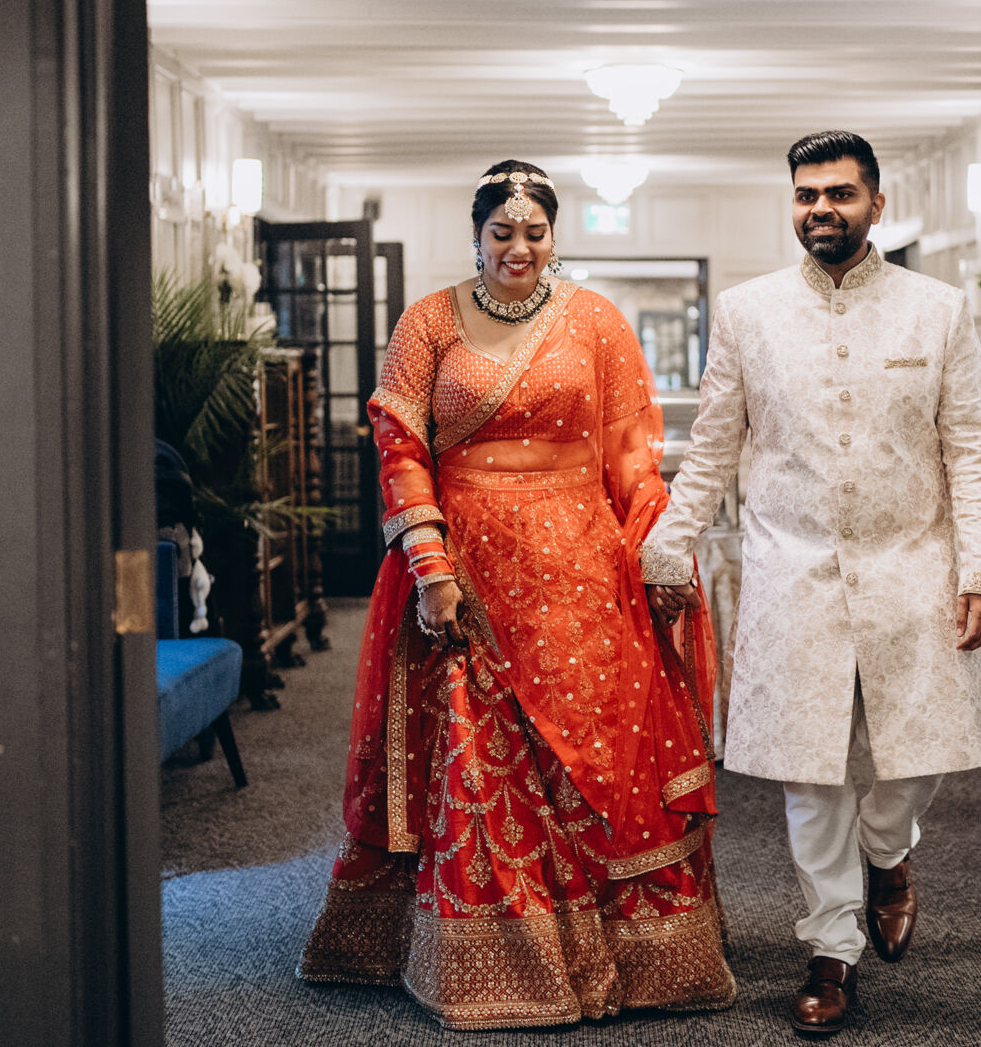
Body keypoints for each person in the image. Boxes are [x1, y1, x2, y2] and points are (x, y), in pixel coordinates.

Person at [299, 161, 735, 1030]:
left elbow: (633, 456)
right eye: (502, 233)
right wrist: (431, 568)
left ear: (554, 235)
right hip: (467, 575)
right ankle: (491, 962)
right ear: (477, 235)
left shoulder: (597, 321)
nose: (519, 249)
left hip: (583, 575)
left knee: (595, 754)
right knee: (475, 755)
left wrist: (659, 551)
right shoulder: (428, 322)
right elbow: (401, 448)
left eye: (535, 233)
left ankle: (628, 957)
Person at [643, 130, 981, 1037]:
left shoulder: (937, 310)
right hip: (791, 572)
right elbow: (713, 447)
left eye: (840, 194)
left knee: (915, 758)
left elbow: (971, 448)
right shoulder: (748, 311)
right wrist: (668, 543)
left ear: (876, 204)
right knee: (809, 776)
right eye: (807, 195)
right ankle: (830, 950)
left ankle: (888, 850)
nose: (821, 210)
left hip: (912, 565)